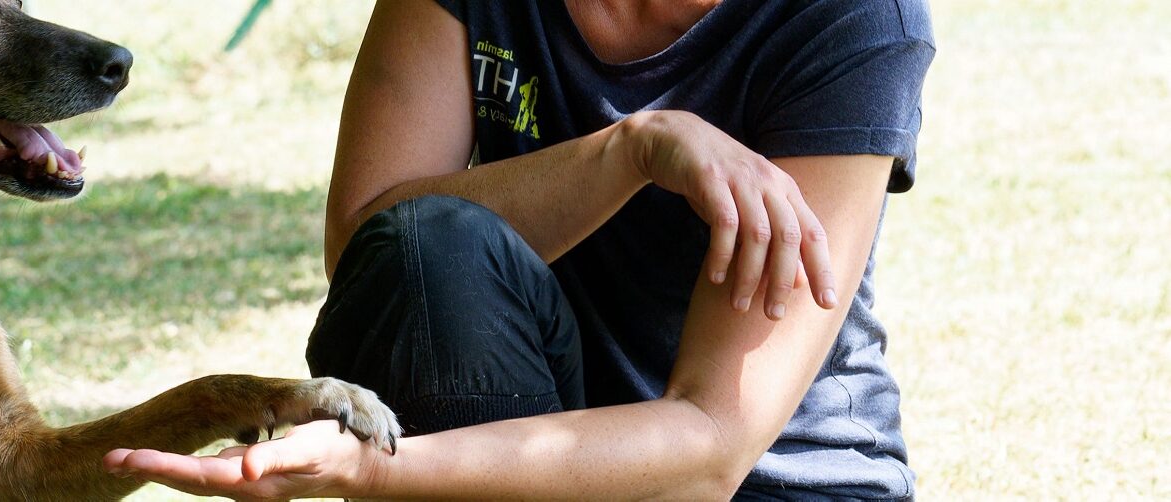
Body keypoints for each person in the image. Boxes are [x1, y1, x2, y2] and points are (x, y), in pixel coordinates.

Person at [107, 0, 934, 499]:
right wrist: (631, 151)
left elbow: (711, 452)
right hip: (496, 432)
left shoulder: (854, 19)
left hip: (765, 482)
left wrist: (380, 472)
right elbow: (370, 254)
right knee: (428, 243)